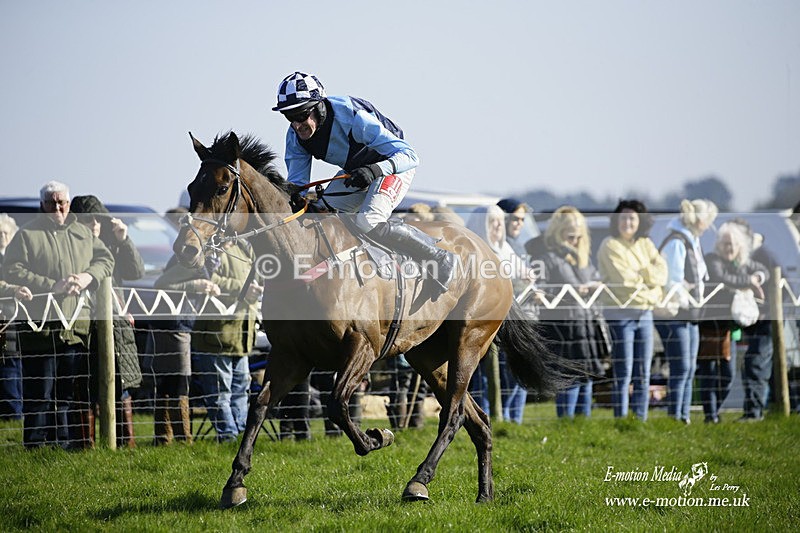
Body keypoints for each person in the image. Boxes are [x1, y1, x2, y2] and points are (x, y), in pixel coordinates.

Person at [272, 71, 454, 299]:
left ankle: (438, 257)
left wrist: (375, 170)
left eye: (301, 115)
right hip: (357, 173)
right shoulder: (295, 137)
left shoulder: (352, 117)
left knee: (369, 220)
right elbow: (298, 187)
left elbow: (410, 155)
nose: (297, 125)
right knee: (318, 214)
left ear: (319, 107)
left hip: (393, 167)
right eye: (290, 118)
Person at [3, 181, 114, 449]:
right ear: (42, 205)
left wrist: (88, 277)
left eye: (62, 202)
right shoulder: (27, 235)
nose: (58, 208)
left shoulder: (83, 233)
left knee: (67, 392)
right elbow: (12, 270)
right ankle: (35, 445)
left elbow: (106, 260)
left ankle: (62, 444)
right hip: (39, 328)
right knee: (39, 392)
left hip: (75, 328)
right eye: (52, 202)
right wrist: (50, 285)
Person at [70, 195, 145, 447]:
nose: (93, 224)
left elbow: (136, 272)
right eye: (87, 219)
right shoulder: (72, 246)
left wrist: (124, 240)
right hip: (83, 325)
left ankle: (127, 444)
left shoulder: (112, 245)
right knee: (86, 386)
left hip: (116, 325)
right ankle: (87, 445)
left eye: (97, 219)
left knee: (121, 383)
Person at [527, 206, 603, 418]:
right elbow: (538, 289)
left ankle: (582, 421)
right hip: (562, 327)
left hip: (585, 324)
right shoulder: (546, 256)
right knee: (567, 376)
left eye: (579, 236)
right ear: (558, 232)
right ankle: (566, 420)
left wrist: (596, 286)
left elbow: (594, 277)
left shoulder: (583, 258)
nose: (575, 240)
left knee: (586, 375)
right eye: (570, 235)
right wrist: (570, 291)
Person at [466, 205, 538, 423]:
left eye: (499, 220)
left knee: (510, 373)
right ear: (481, 225)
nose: (498, 225)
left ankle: (509, 418)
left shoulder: (505, 248)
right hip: (482, 323)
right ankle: (488, 417)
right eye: (492, 221)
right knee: (484, 376)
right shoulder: (474, 250)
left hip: (510, 321)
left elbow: (526, 274)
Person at [597, 199, 667, 421]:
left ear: (640, 222)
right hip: (620, 314)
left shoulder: (646, 243)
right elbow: (625, 281)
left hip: (645, 314)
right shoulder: (609, 245)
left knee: (643, 371)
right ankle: (622, 418)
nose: (627, 222)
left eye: (632, 218)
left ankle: (640, 418)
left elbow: (663, 274)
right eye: (623, 217)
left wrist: (643, 274)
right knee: (624, 371)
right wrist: (652, 289)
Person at [655, 199, 718, 424]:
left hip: (691, 313)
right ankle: (676, 415)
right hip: (677, 313)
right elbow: (672, 280)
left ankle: (685, 414)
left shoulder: (691, 240)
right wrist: (688, 294)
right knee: (681, 366)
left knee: (690, 367)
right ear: (702, 221)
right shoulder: (677, 242)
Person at [699, 221, 768, 423]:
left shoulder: (742, 263)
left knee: (727, 376)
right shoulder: (712, 260)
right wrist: (750, 282)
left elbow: (764, 270)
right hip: (710, 326)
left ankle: (714, 410)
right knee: (709, 373)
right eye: (725, 243)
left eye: (733, 244)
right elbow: (722, 278)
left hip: (731, 329)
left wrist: (758, 276)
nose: (729, 248)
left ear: (739, 246)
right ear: (718, 245)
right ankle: (710, 416)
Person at [0, 214, 31, 421]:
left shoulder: (19, 258)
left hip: (22, 319)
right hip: (5, 321)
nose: (2, 237)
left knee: (22, 365)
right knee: (8, 366)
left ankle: (19, 409)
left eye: (6, 232)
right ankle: (13, 413)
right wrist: (13, 290)